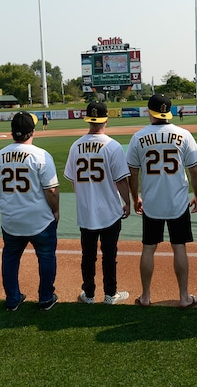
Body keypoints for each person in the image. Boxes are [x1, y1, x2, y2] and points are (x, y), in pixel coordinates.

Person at [127, 94, 197, 309]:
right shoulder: (183, 134)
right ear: (168, 111)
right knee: (179, 247)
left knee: (148, 248)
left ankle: (145, 296)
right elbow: (195, 171)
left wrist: (135, 198)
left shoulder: (138, 137)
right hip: (178, 202)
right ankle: (184, 297)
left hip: (151, 202)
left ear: (149, 111)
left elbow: (132, 173)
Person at [0, 111, 60, 311]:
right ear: (33, 132)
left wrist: (5, 201)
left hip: (11, 220)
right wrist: (56, 211)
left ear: (12, 132)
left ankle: (13, 299)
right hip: (39, 218)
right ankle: (46, 298)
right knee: (46, 257)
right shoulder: (41, 155)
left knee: (10, 258)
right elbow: (52, 191)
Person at [64, 101, 131, 305]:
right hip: (110, 209)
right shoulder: (113, 146)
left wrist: (86, 196)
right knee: (109, 254)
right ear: (106, 120)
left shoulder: (76, 145)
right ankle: (110, 294)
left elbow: (73, 180)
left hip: (86, 211)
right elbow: (120, 180)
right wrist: (127, 201)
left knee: (88, 255)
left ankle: (89, 294)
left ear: (87, 119)